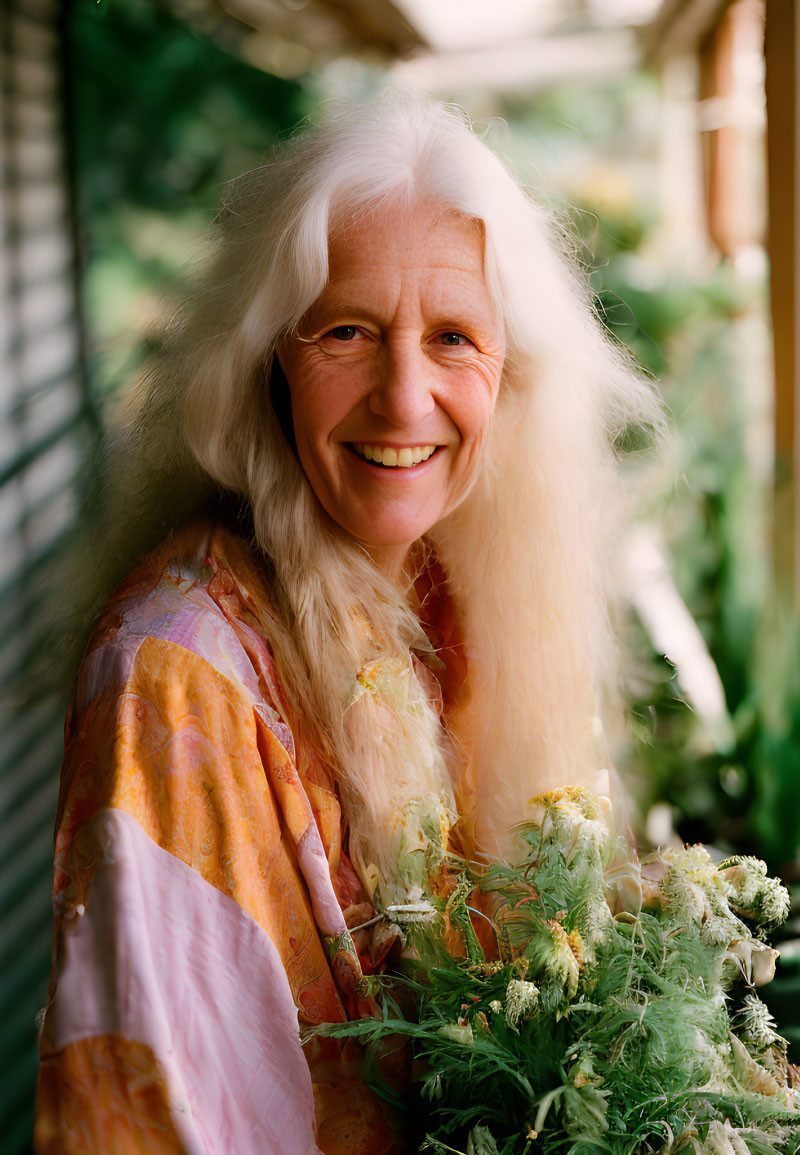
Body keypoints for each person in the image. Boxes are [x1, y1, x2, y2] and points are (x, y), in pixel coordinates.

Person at [34, 93, 655, 1153]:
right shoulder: (174, 678)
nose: (404, 398)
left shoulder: (455, 601)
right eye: (349, 333)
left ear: (510, 377)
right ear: (271, 358)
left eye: (453, 338)